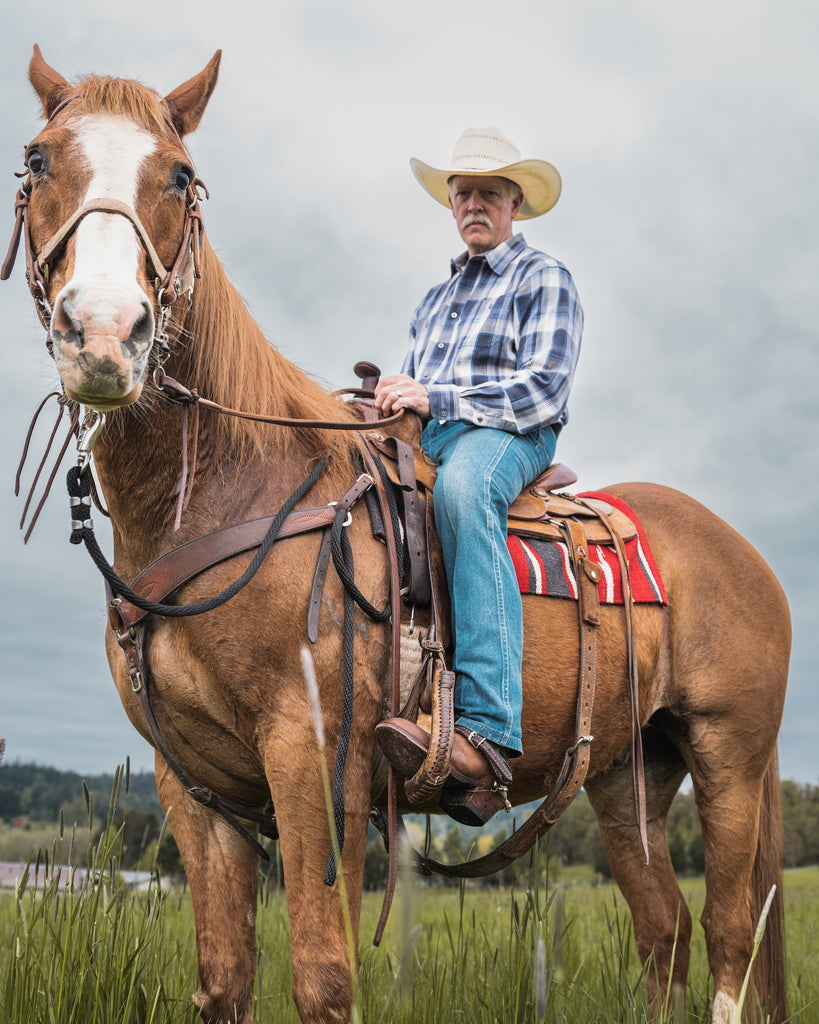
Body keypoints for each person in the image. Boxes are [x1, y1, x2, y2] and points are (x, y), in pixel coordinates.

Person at [373, 126, 584, 826]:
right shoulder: (432, 301)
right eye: (462, 193)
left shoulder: (543, 276)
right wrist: (395, 398)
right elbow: (419, 388)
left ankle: (488, 732)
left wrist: (438, 400)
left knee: (463, 494)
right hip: (432, 431)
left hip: (508, 433)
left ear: (515, 204)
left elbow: (544, 388)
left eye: (488, 193)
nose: (473, 205)